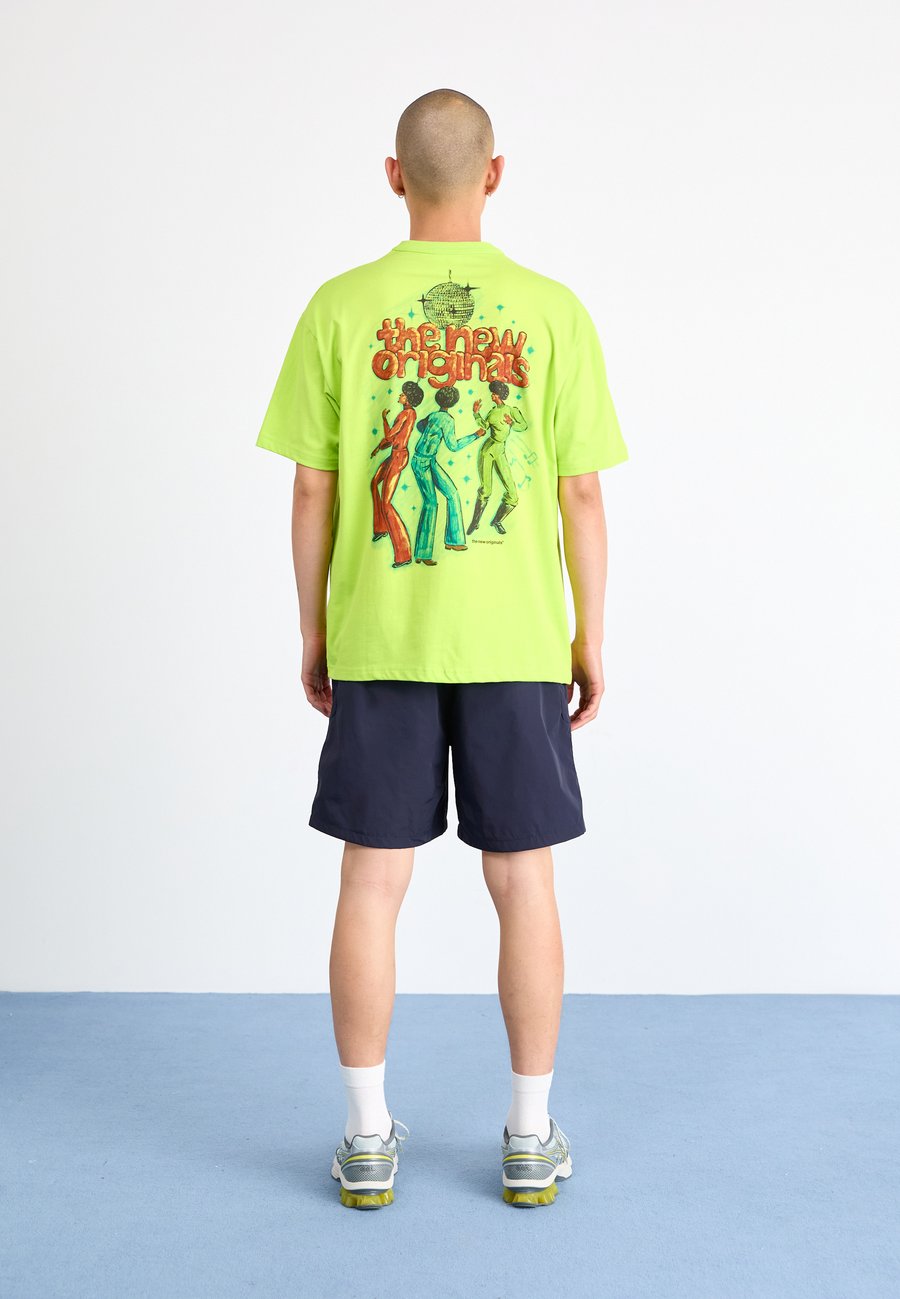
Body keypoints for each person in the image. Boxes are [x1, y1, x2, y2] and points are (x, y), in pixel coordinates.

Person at [255, 88, 628, 1210]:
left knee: (372, 882)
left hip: (383, 639)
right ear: (495, 175)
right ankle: (529, 1135)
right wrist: (587, 634)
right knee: (525, 882)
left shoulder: (340, 306)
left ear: (393, 176)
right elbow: (581, 494)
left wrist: (318, 628)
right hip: (517, 643)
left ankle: (367, 1137)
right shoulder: (552, 311)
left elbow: (313, 487)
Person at [409, 384, 484, 564]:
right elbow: (453, 446)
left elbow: (420, 426)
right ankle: (422, 553)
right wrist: (475, 435)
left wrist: (432, 434)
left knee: (452, 493)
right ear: (453, 402)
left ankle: (454, 540)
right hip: (421, 462)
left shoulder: (433, 415)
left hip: (429, 460)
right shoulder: (447, 420)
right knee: (431, 503)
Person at [371, 379, 423, 568]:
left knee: (387, 502)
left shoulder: (406, 414)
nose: (400, 396)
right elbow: (391, 440)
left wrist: (384, 419)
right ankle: (381, 527)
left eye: (403, 394)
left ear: (408, 398)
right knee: (374, 482)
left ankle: (403, 553)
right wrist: (379, 448)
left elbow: (390, 436)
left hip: (399, 457)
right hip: (395, 454)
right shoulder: (409, 413)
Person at [468, 379, 528, 535]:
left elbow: (523, 425)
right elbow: (484, 426)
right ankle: (475, 522)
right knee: (486, 489)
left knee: (512, 494)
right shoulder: (492, 412)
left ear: (499, 395)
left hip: (500, 450)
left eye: (493, 394)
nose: (492, 396)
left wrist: (511, 423)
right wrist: (476, 413)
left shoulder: (511, 410)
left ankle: (497, 521)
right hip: (487, 450)